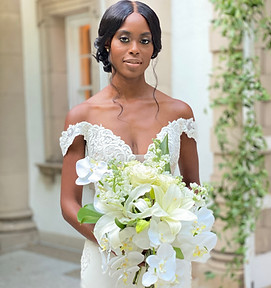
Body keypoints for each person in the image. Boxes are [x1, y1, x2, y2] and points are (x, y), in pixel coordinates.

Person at [60, 1, 200, 287]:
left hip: (164, 258)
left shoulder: (179, 113)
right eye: (124, 39)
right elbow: (68, 202)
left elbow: (192, 188)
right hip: (108, 259)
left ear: (154, 48)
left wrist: (165, 232)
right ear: (107, 44)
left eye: (144, 40)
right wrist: (110, 239)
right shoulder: (82, 117)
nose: (134, 48)